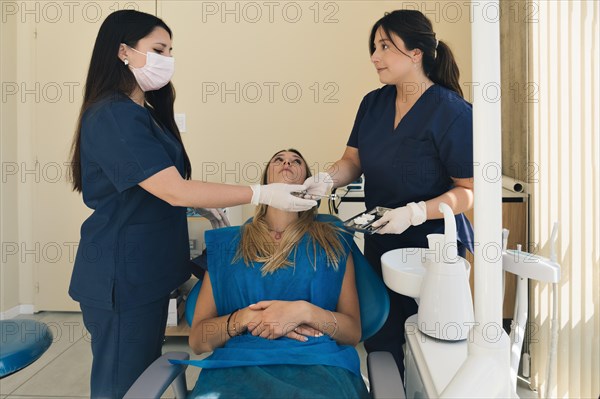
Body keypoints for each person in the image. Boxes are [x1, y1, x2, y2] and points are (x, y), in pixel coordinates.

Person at [67, 11, 316, 398]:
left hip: (146, 273)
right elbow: (174, 189)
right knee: (123, 385)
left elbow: (159, 191)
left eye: (170, 50)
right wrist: (260, 193)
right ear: (123, 52)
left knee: (144, 374)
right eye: (158, 49)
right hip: (122, 275)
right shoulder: (114, 114)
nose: (168, 58)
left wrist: (199, 208)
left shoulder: (144, 113)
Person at [304, 10, 475, 379]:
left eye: (384, 46)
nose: (374, 56)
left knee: (430, 347)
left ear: (416, 53)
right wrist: (325, 179)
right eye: (374, 46)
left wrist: (414, 212)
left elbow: (467, 192)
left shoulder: (454, 114)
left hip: (432, 250)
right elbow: (353, 160)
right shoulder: (374, 103)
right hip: (382, 240)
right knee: (382, 339)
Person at [186, 149, 370, 398]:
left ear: (309, 182)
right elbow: (198, 340)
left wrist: (304, 311)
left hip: (318, 363)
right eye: (278, 160)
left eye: (296, 162)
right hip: (238, 364)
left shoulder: (332, 242)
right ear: (265, 184)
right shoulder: (229, 245)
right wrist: (245, 318)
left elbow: (351, 332)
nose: (287, 163)